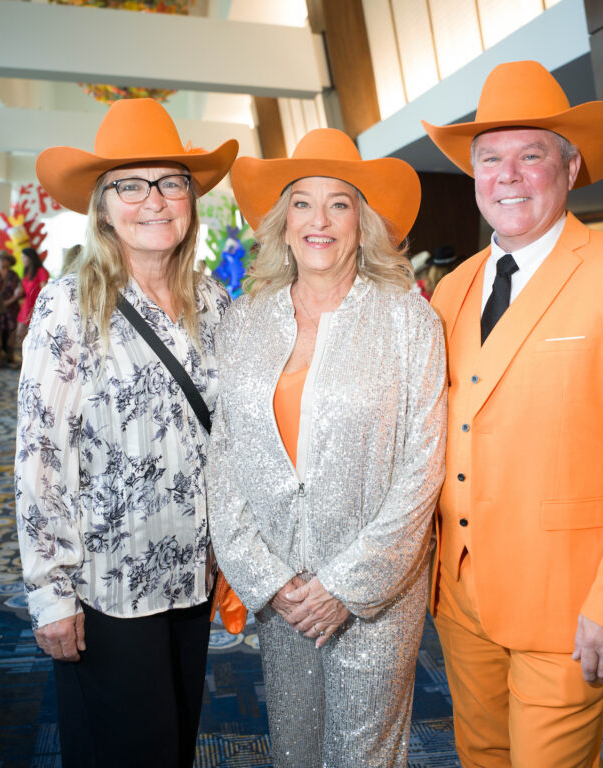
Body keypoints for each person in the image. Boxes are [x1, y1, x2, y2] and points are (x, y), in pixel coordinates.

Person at [420, 60, 603, 766]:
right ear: (473, 174)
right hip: (458, 599)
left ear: (572, 167)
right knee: (481, 756)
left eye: (531, 155)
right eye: (490, 159)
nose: (508, 175)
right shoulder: (451, 291)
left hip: (568, 598)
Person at [208, 128, 447, 768]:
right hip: (282, 590)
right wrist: (268, 578)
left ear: (361, 223)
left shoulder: (407, 318)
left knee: (365, 755)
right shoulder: (245, 318)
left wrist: (346, 583)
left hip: (376, 595)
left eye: (339, 203)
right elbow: (222, 458)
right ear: (282, 224)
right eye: (303, 203)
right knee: (294, 747)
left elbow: (425, 464)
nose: (320, 220)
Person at [15, 97, 237, 767]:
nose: (154, 200)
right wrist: (50, 592)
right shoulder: (69, 303)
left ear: (191, 198)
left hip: (192, 573)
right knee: (123, 752)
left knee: (174, 743)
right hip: (108, 586)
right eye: (131, 185)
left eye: (171, 182)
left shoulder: (212, 301)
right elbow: (40, 456)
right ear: (104, 206)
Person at [0, 251, 21, 367]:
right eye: (0, 259)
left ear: (9, 262)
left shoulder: (14, 275)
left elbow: (19, 291)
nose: (2, 261)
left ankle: (10, 358)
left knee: (11, 332)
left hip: (11, 307)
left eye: (5, 259)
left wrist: (9, 301)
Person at [13, 247, 49, 345]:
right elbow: (25, 290)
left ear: (31, 258)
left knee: (31, 337)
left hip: (36, 306)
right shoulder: (27, 272)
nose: (22, 260)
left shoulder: (41, 271)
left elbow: (45, 291)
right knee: (20, 335)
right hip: (26, 306)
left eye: (24, 257)